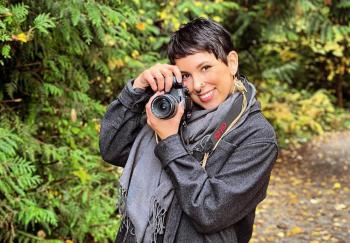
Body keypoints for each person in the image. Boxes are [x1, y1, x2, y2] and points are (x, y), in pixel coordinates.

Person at [99, 18, 278, 243]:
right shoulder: (174, 110)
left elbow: (210, 211)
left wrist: (170, 141)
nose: (197, 85)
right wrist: (136, 89)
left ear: (231, 62)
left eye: (205, 68)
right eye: (185, 75)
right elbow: (112, 148)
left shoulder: (257, 136)